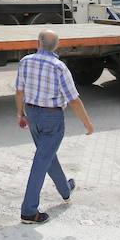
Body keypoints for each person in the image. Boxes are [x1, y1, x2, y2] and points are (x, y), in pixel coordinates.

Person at [15, 29, 94, 224]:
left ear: (38, 42)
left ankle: (65, 190)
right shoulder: (59, 67)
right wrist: (88, 124)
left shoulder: (25, 61)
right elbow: (74, 101)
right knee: (41, 160)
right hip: (52, 118)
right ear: (56, 46)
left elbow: (19, 91)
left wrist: (21, 113)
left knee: (47, 155)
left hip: (32, 114)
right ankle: (28, 211)